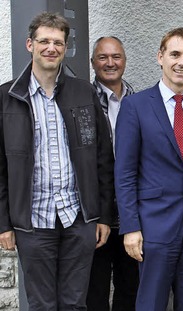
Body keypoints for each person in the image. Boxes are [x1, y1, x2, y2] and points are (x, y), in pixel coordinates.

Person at [0, 12, 114, 310]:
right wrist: (3, 224)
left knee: (75, 303)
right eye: (44, 41)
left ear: (65, 48)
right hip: (32, 222)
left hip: (78, 219)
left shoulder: (83, 92)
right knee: (42, 305)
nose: (51, 48)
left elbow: (102, 158)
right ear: (30, 44)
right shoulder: (7, 97)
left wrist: (101, 215)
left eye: (58, 42)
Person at [114, 27, 183, 311]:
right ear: (160, 57)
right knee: (151, 304)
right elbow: (125, 173)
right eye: (175, 54)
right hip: (154, 228)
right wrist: (131, 227)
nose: (182, 62)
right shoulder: (135, 106)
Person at [87, 35, 139, 311]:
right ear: (93, 62)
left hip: (132, 212)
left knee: (130, 287)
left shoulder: (140, 100)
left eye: (116, 57)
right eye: (103, 57)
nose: (110, 63)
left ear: (125, 61)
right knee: (94, 289)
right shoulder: (82, 100)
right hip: (96, 211)